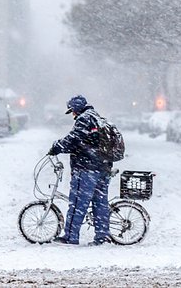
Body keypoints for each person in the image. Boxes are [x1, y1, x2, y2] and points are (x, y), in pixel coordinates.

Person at [48, 95, 112, 246]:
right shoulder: (97, 117)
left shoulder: (84, 119)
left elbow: (74, 139)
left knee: (78, 203)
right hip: (103, 167)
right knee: (100, 203)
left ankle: (71, 236)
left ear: (76, 109)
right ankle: (102, 236)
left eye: (72, 111)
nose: (72, 114)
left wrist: (57, 147)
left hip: (86, 168)